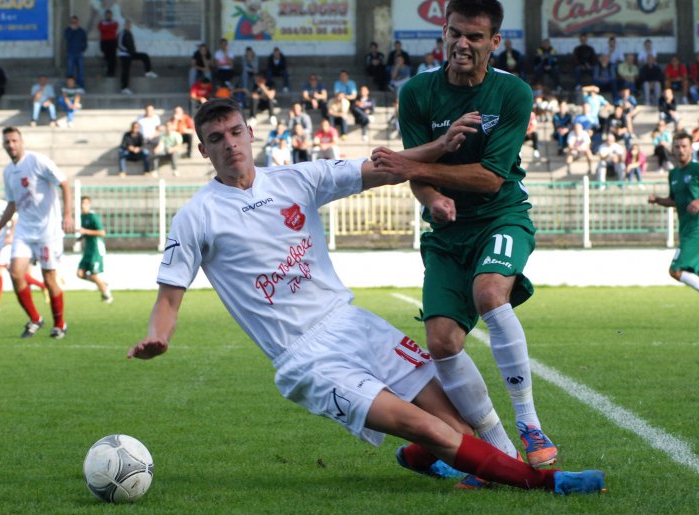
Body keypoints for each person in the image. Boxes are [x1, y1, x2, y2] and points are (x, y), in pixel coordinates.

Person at [126, 98, 605, 496]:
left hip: (354, 323)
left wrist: (438, 146)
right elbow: (169, 296)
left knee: (456, 429)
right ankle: (546, 483)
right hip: (306, 359)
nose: (229, 144)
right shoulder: (196, 216)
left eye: (235, 132)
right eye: (216, 138)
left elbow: (382, 168)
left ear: (250, 133)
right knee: (428, 428)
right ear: (204, 149)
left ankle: (421, 459)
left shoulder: (297, 180)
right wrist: (157, 337)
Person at [392, 0, 558, 474]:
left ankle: (529, 422)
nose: (462, 44)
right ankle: (501, 450)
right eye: (454, 33)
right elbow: (416, 173)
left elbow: (490, 177)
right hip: (446, 233)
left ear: (495, 42)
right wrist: (430, 196)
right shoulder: (417, 93)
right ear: (443, 34)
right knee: (442, 342)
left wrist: (416, 165)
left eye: (475, 37)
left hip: (501, 214)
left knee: (489, 292)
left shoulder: (512, 93)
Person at [0, 127, 73, 338]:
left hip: (48, 230)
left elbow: (63, 184)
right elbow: (12, 204)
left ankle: (59, 324)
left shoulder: (37, 161)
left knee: (49, 278)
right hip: (25, 230)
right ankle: (35, 319)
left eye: (14, 141)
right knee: (15, 272)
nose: (11, 145)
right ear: (3, 145)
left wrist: (68, 215)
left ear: (22, 141)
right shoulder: (8, 171)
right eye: (7, 142)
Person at [648, 132, 699, 331]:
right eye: (677, 147)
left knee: (675, 270)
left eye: (684, 146)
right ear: (673, 150)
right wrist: (658, 200)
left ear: (691, 148)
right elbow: (675, 200)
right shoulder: (673, 174)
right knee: (698, 277)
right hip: (685, 229)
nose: (681, 150)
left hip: (697, 228)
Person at [0, 182, 47, 313]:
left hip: (8, 242)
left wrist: (11, 235)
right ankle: (43, 286)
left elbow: (15, 217)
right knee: (15, 273)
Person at [77, 196, 112, 303]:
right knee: (80, 274)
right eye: (82, 203)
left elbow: (102, 232)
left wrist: (85, 232)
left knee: (93, 274)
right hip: (88, 250)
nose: (84, 205)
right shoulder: (82, 216)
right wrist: (81, 237)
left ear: (89, 205)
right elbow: (86, 231)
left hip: (96, 250)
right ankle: (102, 284)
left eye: (86, 203)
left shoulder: (93, 217)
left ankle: (108, 295)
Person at [118, 19, 158, 95]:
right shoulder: (122, 33)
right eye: (127, 24)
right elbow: (119, 45)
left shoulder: (129, 33)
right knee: (125, 71)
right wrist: (126, 50)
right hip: (124, 55)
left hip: (131, 54)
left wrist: (133, 51)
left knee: (144, 56)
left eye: (129, 25)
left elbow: (132, 44)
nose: (128, 26)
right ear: (125, 25)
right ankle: (124, 88)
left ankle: (148, 72)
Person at [64, 15, 87, 90]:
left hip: (79, 53)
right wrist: (72, 30)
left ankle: (81, 87)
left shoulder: (82, 31)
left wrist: (83, 49)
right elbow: (67, 37)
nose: (74, 23)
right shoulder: (67, 30)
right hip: (71, 53)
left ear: (78, 22)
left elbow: (85, 41)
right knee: (70, 70)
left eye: (75, 22)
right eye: (72, 22)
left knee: (80, 71)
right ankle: (69, 86)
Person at [98, 9, 118, 77]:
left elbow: (114, 29)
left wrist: (106, 28)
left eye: (109, 15)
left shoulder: (115, 22)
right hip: (105, 42)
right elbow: (101, 29)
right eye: (107, 15)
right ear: (105, 16)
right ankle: (107, 72)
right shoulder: (102, 22)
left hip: (112, 41)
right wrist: (108, 28)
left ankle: (112, 73)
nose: (108, 16)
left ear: (111, 15)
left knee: (113, 58)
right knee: (107, 57)